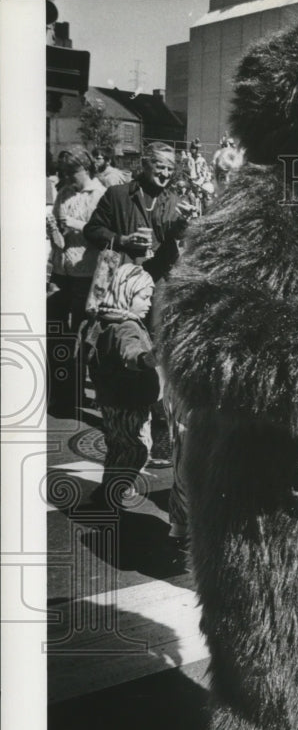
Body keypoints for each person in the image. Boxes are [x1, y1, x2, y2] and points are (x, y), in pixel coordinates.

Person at [85, 264, 159, 506]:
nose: (149, 303)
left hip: (111, 399)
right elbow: (131, 354)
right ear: (127, 293)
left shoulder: (104, 320)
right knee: (137, 449)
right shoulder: (127, 327)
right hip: (130, 401)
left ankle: (108, 488)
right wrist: (148, 359)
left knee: (117, 446)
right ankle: (110, 494)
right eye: (144, 297)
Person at [48, 146, 107, 411]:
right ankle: (64, 390)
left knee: (83, 333)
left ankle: (80, 391)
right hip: (62, 270)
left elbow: (103, 234)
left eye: (73, 172)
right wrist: (53, 230)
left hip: (86, 272)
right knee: (58, 332)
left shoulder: (100, 195)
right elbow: (60, 240)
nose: (69, 178)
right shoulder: (63, 193)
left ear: (85, 167)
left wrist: (74, 224)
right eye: (65, 173)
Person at [84, 141, 192, 283]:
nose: (165, 174)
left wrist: (184, 222)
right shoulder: (117, 195)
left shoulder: (175, 202)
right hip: (121, 278)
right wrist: (122, 240)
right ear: (144, 164)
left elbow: (175, 238)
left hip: (157, 280)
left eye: (170, 169)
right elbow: (92, 230)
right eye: (160, 167)